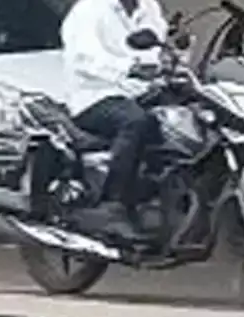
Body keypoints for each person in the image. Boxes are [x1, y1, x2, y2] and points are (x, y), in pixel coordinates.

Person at [61, 0, 173, 238]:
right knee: (136, 122)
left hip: (142, 92)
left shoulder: (149, 7)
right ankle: (111, 204)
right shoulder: (89, 9)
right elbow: (83, 58)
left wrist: (171, 59)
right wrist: (129, 68)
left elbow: (158, 45)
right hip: (95, 96)